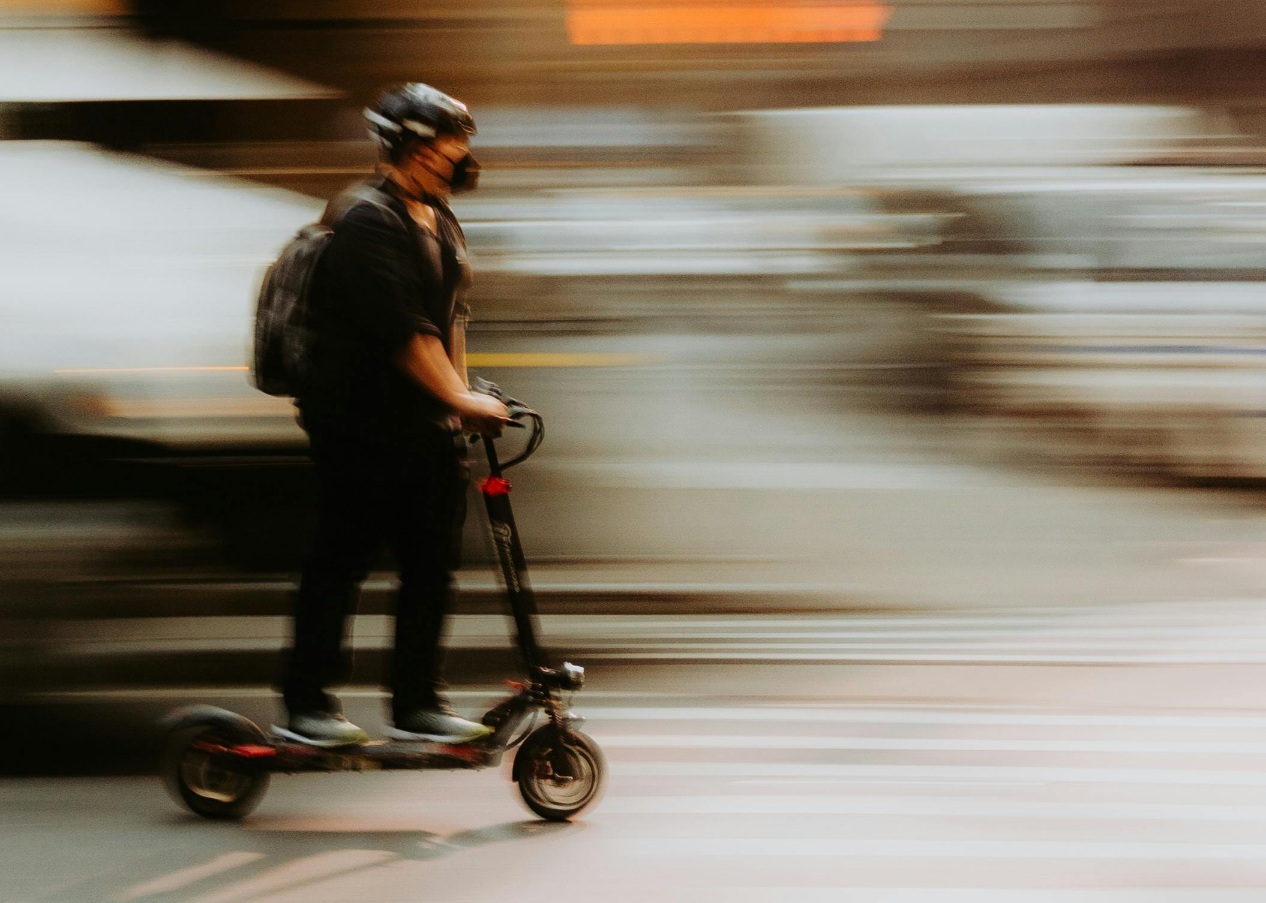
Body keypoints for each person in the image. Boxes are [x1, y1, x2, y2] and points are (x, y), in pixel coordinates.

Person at [276, 82, 509, 747]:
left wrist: (461, 400)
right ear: (407, 143)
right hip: (358, 424)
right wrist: (457, 397)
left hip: (421, 426)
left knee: (431, 566)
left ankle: (416, 702)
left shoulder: (439, 218)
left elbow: (447, 320)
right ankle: (307, 704)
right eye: (446, 142)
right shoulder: (367, 221)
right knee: (341, 560)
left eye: (461, 143)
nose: (458, 155)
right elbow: (404, 333)